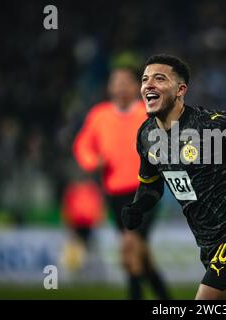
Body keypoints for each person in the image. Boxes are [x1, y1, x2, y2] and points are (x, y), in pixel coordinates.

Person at [122, 54, 226, 300]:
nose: (148, 85)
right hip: (209, 243)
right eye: (145, 79)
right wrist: (137, 207)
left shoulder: (211, 126)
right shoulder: (146, 135)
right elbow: (151, 186)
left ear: (180, 90)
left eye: (159, 78)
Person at [73, 58, 170, 300]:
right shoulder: (99, 115)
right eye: (116, 82)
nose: (121, 87)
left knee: (130, 245)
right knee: (139, 254)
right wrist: (92, 161)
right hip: (115, 194)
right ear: (109, 87)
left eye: (126, 82)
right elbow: (83, 145)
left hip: (146, 190)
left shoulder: (148, 113)